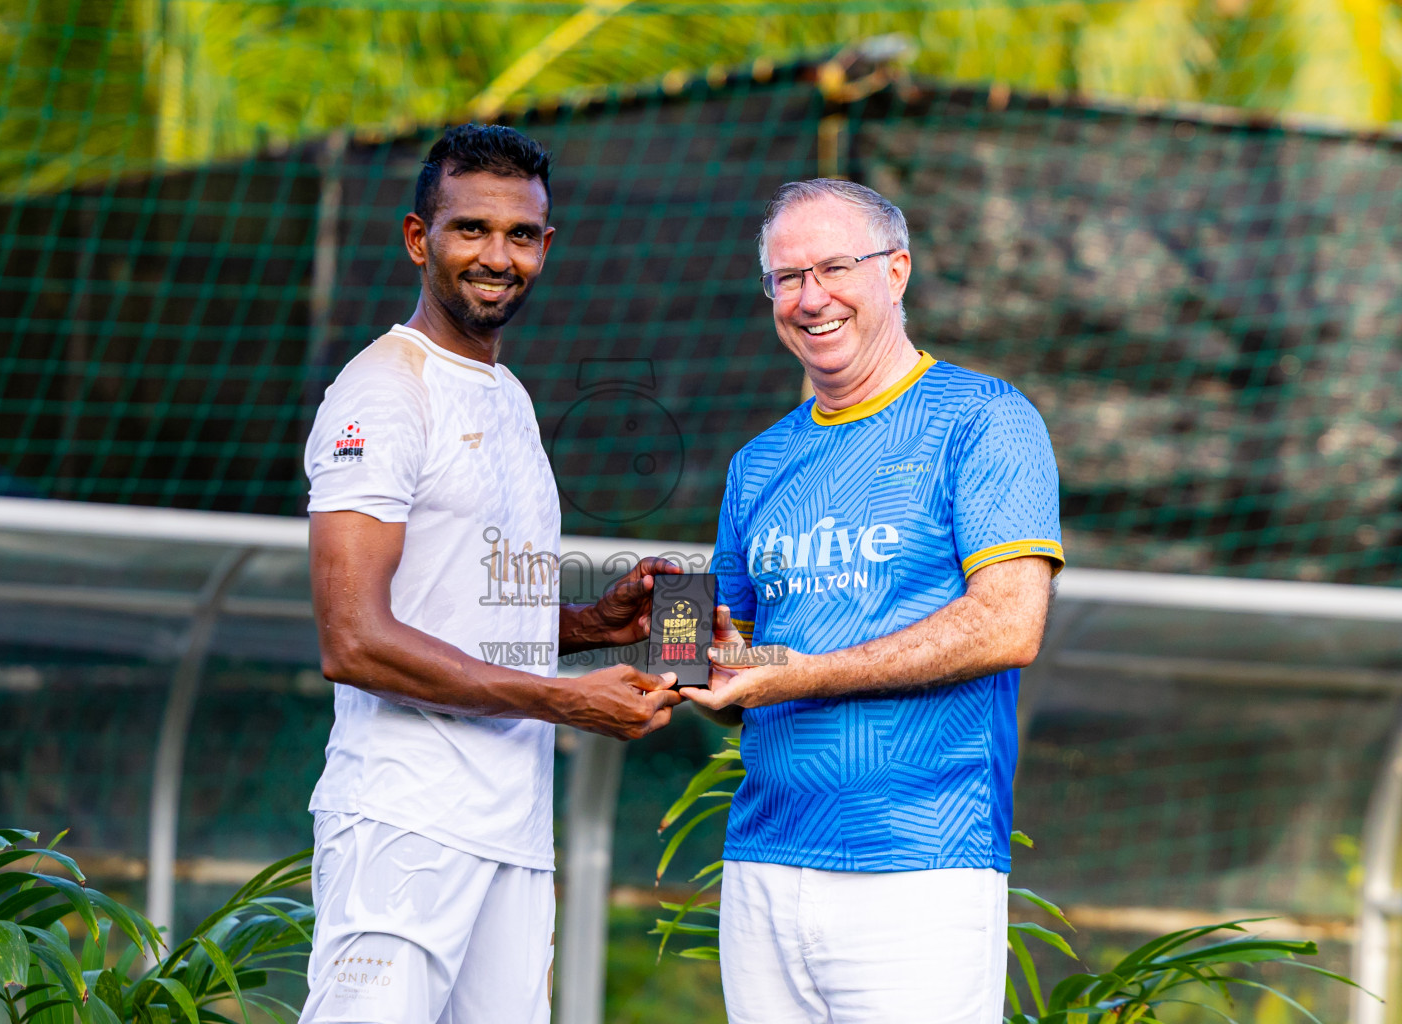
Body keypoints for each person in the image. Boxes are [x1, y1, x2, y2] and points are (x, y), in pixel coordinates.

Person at [300, 124, 681, 1024]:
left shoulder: (507, 395)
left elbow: (462, 607)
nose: (496, 257)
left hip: (512, 830)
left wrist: (593, 626)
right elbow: (354, 642)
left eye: (520, 236)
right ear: (416, 237)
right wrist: (564, 698)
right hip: (403, 823)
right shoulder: (383, 391)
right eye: (470, 229)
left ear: (546, 246)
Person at [682, 178, 1064, 1024]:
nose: (811, 297)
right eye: (787, 278)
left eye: (834, 268)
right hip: (764, 867)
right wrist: (675, 650)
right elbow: (739, 666)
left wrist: (798, 675)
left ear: (896, 272)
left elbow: (1009, 623)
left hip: (922, 866)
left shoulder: (984, 419)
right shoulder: (758, 463)